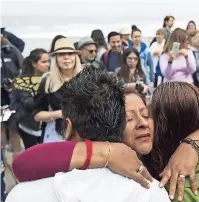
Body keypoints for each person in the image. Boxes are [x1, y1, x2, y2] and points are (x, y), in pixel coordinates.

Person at [6, 67, 171, 202]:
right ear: (120, 123)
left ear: (68, 127)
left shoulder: (23, 195)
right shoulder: (154, 193)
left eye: (146, 115)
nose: (142, 123)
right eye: (129, 118)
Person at [33, 38, 83, 143]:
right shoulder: (47, 81)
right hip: (57, 135)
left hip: (84, 134)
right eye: (61, 54)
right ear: (56, 59)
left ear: (75, 57)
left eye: (70, 54)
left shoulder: (87, 78)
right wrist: (60, 114)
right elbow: (37, 115)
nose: (66, 58)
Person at [10, 49, 50, 149]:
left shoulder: (50, 78)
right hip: (28, 125)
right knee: (33, 157)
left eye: (48, 61)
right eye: (44, 62)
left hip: (46, 125)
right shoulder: (21, 81)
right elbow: (29, 103)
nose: (47, 64)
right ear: (34, 63)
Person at [1, 30, 23, 157]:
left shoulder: (11, 50)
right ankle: (2, 158)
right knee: (1, 127)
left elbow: (23, 67)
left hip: (13, 95)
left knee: (14, 127)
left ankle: (17, 158)